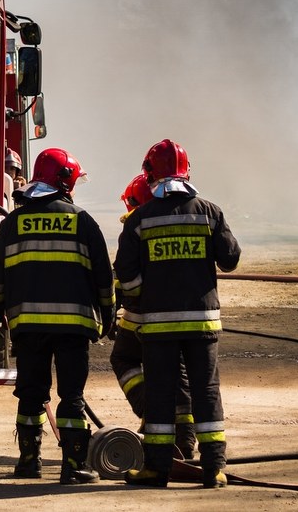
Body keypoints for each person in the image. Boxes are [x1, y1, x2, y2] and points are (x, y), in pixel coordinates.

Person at [114, 139, 241, 489]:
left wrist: (144, 296)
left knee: (160, 394)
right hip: (202, 323)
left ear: (150, 174)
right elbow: (230, 259)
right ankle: (214, 469)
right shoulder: (210, 213)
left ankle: (157, 469)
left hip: (158, 327)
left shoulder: (140, 219)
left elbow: (125, 272)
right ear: (187, 173)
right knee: (206, 392)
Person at [0, 147, 114, 483]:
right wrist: (109, 314)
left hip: (27, 327)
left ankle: (29, 462)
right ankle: (74, 466)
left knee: (31, 394)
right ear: (66, 181)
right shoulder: (83, 222)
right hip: (73, 328)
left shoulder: (12, 223)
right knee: (71, 396)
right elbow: (103, 277)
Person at [110, 173, 197, 459]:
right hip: (184, 316)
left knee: (123, 358)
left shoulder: (137, 223)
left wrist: (115, 304)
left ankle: (151, 412)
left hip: (140, 320)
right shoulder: (186, 219)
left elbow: (124, 277)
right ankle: (184, 440)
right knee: (179, 373)